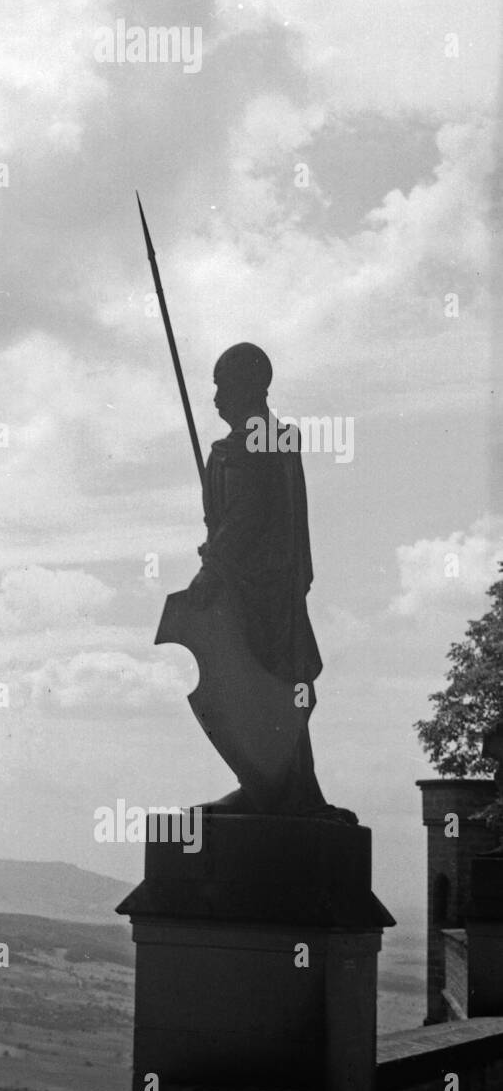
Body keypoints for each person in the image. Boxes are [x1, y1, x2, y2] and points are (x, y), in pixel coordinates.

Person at [183, 342, 352, 820]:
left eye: (223, 385)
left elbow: (250, 515)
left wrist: (212, 566)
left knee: (275, 687)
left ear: (250, 387)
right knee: (264, 689)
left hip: (266, 593)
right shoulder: (244, 448)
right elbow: (229, 519)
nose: (215, 397)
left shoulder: (262, 444)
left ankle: (288, 791)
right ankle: (269, 787)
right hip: (248, 589)